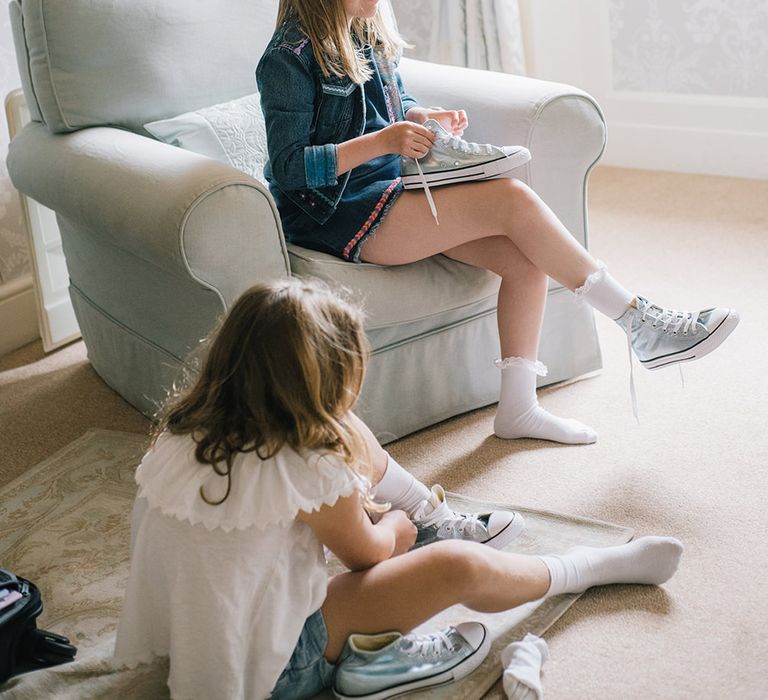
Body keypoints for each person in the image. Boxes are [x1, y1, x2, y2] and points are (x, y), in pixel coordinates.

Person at [113, 279, 684, 699]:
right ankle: (587, 566)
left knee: (346, 437)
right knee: (455, 566)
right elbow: (367, 554)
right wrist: (397, 527)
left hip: (190, 641)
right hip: (274, 669)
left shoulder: (182, 431)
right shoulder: (308, 463)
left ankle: (384, 626)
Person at [255, 0, 739, 446]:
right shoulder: (287, 57)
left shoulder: (367, 27)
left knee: (526, 258)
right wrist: (386, 142)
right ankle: (638, 322)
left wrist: (422, 118)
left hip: (388, 187)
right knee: (511, 200)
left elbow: (392, 105)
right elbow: (290, 166)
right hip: (335, 211)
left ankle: (519, 409)